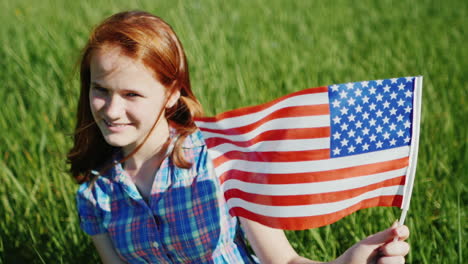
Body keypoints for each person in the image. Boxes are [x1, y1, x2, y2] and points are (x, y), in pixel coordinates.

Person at [68, 10, 410, 264]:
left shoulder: (220, 159)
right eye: (101, 90)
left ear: (171, 93)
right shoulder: (96, 194)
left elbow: (283, 261)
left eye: (131, 95)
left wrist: (348, 262)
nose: (111, 110)